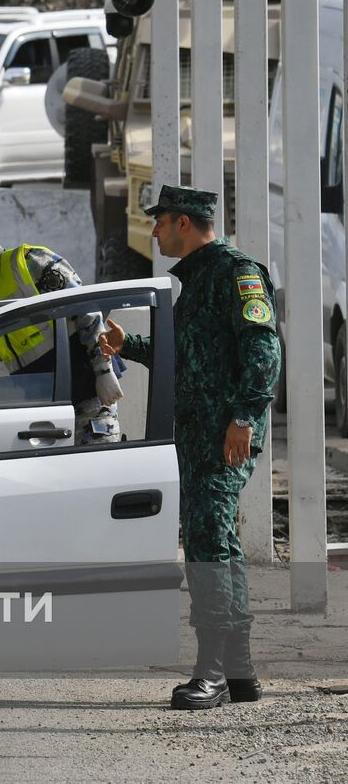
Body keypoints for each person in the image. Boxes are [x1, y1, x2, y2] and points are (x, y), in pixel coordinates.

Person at [100, 185, 282, 711]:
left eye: (159, 222)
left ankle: (214, 672)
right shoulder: (195, 279)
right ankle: (240, 671)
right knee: (218, 541)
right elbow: (189, 358)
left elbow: (262, 348)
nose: (153, 231)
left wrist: (244, 417)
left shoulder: (236, 273)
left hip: (225, 433)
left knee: (205, 543)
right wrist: (127, 347)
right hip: (200, 433)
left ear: (183, 223)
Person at [0, 220, 124, 444]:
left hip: (89, 397)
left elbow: (85, 309)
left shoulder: (30, 263)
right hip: (47, 410)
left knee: (95, 470)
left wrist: (103, 370)